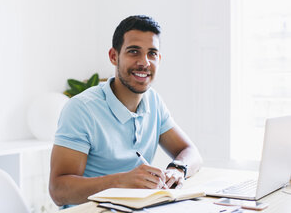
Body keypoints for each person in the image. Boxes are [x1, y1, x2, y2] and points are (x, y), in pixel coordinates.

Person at [49, 15, 202, 207]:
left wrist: (177, 169)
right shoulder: (81, 109)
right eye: (134, 52)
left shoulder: (153, 100)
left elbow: (190, 152)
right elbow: (59, 191)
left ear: (159, 59)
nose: (144, 62)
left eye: (152, 53)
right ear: (114, 56)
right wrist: (120, 182)